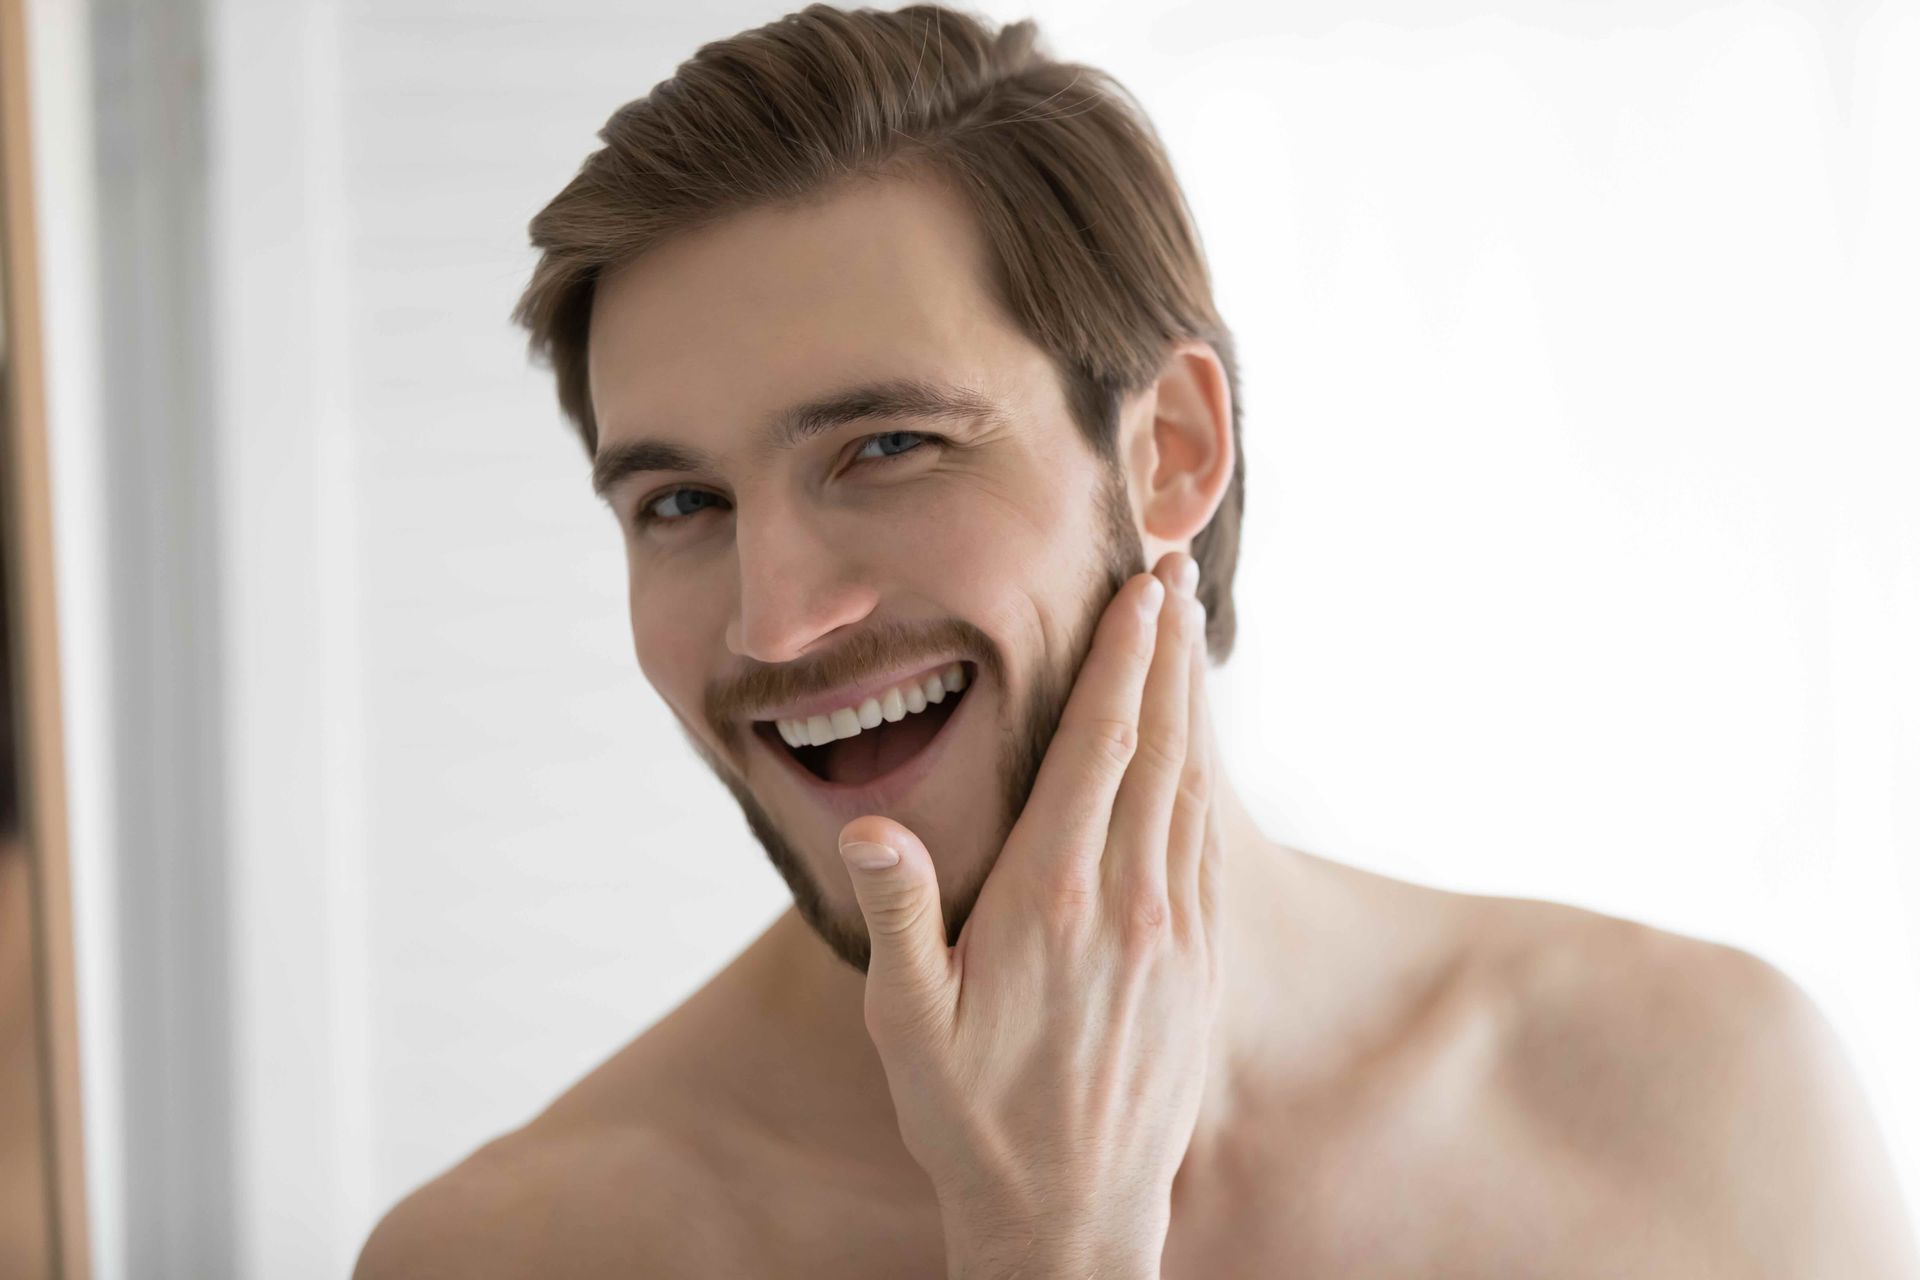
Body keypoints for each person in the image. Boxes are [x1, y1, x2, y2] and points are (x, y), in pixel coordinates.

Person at [355, 5, 1919, 1275]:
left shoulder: (1713, 1110)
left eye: (887, 447)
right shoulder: (519, 1251)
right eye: (681, 502)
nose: (774, 620)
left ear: (1169, 448)